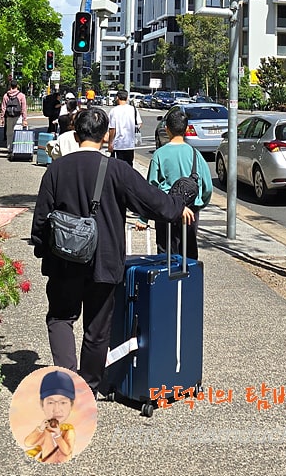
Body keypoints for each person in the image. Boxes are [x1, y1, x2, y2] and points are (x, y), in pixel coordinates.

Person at [30, 107, 194, 398]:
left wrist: (44, 252)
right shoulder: (117, 170)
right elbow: (153, 203)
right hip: (104, 261)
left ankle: (67, 381)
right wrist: (178, 204)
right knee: (97, 327)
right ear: (106, 136)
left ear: (76, 134)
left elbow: (41, 220)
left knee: (60, 318)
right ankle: (88, 387)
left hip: (63, 261)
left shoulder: (57, 169)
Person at [142, 107, 212, 260]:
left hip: (165, 209)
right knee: (189, 253)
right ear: (186, 129)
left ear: (167, 129)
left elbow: (151, 188)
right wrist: (199, 205)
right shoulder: (195, 154)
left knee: (165, 255)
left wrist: (144, 218)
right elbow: (207, 188)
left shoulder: (159, 154)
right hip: (190, 210)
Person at [23, 369, 77, 464]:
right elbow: (28, 443)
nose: (56, 409)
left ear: (71, 405)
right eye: (51, 402)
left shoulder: (68, 430)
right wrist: (40, 429)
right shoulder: (46, 430)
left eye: (63, 402)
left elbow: (67, 451)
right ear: (42, 404)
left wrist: (58, 435)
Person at [107, 89, 140, 165]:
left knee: (118, 166)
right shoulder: (133, 109)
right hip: (130, 144)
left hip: (118, 144)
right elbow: (139, 123)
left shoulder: (114, 110)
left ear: (117, 97)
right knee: (129, 165)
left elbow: (112, 129)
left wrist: (110, 143)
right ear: (127, 98)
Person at [1, 80, 28, 145]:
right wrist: (24, 119)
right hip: (18, 117)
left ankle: (9, 147)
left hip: (9, 117)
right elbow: (24, 108)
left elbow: (3, 108)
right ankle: (17, 147)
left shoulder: (6, 95)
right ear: (17, 86)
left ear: (10, 86)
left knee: (9, 133)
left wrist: (2, 118)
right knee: (17, 133)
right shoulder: (21, 95)